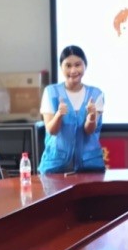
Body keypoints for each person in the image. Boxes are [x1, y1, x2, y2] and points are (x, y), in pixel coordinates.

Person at [39, 46, 105, 174]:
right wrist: (59, 114)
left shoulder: (96, 94)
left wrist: (91, 116)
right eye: (68, 66)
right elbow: (51, 130)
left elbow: (89, 130)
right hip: (55, 166)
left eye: (77, 65)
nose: (73, 70)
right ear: (61, 67)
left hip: (89, 166)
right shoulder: (50, 92)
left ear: (85, 65)